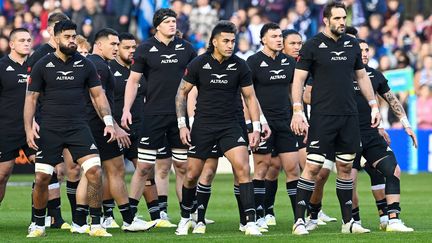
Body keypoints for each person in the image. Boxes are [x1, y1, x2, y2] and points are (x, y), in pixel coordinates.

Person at [290, 2, 380, 235]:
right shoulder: (311, 46)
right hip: (322, 116)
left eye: (344, 18)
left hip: (349, 116)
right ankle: (299, 221)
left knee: (345, 166)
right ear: (326, 19)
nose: (342, 22)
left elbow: (362, 77)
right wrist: (298, 110)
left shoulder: (352, 45)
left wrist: (374, 106)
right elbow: (298, 81)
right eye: (337, 18)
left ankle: (348, 223)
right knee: (313, 167)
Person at [174, 20, 264, 236]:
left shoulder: (240, 65)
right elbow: (181, 94)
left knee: (243, 168)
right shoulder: (198, 64)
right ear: (214, 42)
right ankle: (186, 217)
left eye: (233, 41)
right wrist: (182, 125)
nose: (230, 44)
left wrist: (256, 127)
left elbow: (250, 97)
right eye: (225, 41)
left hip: (231, 125)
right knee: (191, 175)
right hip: (204, 125)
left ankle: (249, 221)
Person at [24, 19, 113, 237]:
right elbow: (31, 99)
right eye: (67, 37)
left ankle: (96, 224)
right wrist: (28, 128)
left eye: (74, 36)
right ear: (55, 39)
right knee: (43, 178)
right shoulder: (42, 65)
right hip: (50, 128)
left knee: (94, 171)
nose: (72, 40)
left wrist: (109, 122)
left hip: (78, 127)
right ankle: (37, 224)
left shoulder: (85, 64)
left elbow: (98, 96)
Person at [70, 28, 155, 233]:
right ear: (99, 45)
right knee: (116, 170)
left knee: (88, 174)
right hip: (99, 127)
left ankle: (79, 222)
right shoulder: (98, 65)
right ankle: (128, 219)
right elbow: (97, 98)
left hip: (89, 125)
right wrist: (114, 126)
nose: (116, 48)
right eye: (113, 44)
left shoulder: (93, 63)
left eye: (118, 45)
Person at [122, 8, 196, 226]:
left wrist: (193, 112)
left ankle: (187, 217)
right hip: (153, 115)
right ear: (157, 26)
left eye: (174, 21)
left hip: (180, 117)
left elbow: (195, 84)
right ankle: (130, 218)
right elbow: (133, 82)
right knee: (144, 167)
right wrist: (126, 109)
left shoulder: (187, 48)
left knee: (183, 167)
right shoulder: (145, 49)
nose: (172, 25)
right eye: (167, 22)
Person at [350, 39, 417, 232]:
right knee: (350, 182)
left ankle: (393, 219)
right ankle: (353, 222)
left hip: (371, 135)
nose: (364, 53)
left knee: (393, 170)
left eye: (366, 49)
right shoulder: (343, 75)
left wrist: (406, 124)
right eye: (360, 50)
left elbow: (392, 99)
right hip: (348, 136)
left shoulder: (375, 75)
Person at [246, 23, 299, 231]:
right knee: (261, 169)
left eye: (280, 36)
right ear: (263, 40)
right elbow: (247, 96)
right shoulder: (253, 62)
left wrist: (298, 114)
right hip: (263, 124)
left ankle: (299, 219)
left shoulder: (289, 62)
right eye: (274, 36)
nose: (278, 39)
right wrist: (255, 123)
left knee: (293, 169)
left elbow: (293, 91)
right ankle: (259, 215)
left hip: (286, 123)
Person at [26, 11, 73, 230]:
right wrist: (33, 119)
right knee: (45, 171)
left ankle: (54, 217)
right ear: (51, 31)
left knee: (60, 171)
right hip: (43, 120)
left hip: (65, 120)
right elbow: (30, 92)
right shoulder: (40, 56)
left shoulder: (69, 54)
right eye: (58, 30)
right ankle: (42, 216)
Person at [0, 28, 34, 206]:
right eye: (22, 40)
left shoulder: (36, 66)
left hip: (33, 129)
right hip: (7, 129)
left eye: (29, 40)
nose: (27, 43)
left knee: (47, 172)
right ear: (12, 44)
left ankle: (48, 218)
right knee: (2, 175)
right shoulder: (1, 66)